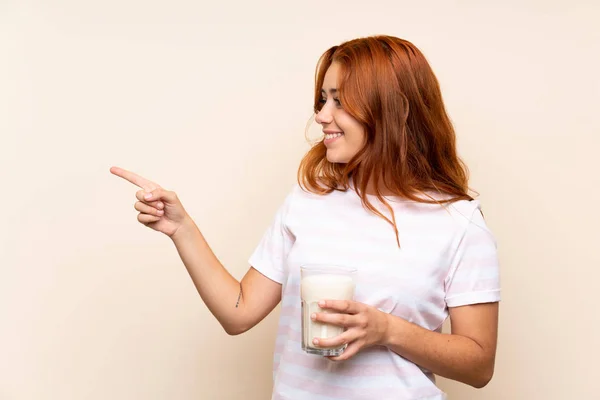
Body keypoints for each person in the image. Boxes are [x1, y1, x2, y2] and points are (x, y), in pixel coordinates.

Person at [111, 35, 500, 400]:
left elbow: (479, 365)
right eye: (323, 99)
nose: (321, 116)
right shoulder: (308, 202)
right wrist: (181, 228)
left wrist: (386, 329)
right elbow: (239, 312)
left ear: (392, 109)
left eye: (340, 102)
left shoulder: (458, 223)